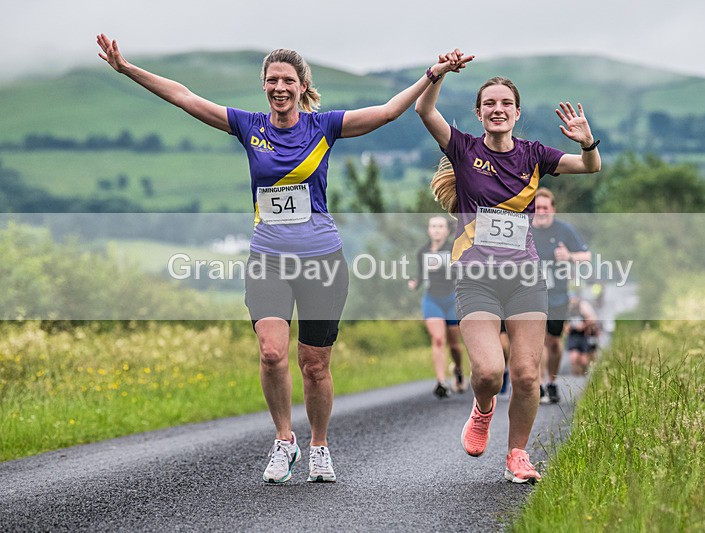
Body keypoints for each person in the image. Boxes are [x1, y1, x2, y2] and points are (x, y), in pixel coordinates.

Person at [97, 34, 471, 484]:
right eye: (272, 80)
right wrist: (128, 68)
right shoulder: (248, 125)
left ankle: (319, 445)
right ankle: (283, 440)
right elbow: (184, 97)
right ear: (264, 86)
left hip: (321, 261)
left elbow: (389, 112)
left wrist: (434, 74)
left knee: (315, 365)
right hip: (268, 258)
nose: (279, 87)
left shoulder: (325, 127)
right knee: (272, 352)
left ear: (301, 85)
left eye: (287, 80)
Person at [416, 50, 601, 484]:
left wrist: (586, 140)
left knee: (524, 373)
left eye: (505, 104)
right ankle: (482, 409)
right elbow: (424, 108)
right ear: (479, 113)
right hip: (476, 279)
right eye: (489, 104)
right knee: (487, 372)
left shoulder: (535, 155)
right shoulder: (463, 148)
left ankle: (517, 454)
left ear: (517, 112)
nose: (497, 110)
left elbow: (591, 167)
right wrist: (438, 73)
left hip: (525, 279)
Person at [530, 187, 591, 404]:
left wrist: (569, 256)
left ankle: (552, 382)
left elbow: (586, 256)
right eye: (537, 207)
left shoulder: (564, 230)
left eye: (545, 207)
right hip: (528, 295)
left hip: (557, 296)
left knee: (553, 343)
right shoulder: (524, 229)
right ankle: (536, 386)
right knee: (535, 341)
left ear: (553, 209)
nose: (541, 211)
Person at [408, 215, 466, 398]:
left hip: (451, 299)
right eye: (433, 226)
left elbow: (460, 271)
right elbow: (421, 275)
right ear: (428, 230)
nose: (437, 229)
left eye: (440, 226)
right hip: (432, 300)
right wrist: (414, 284)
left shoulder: (453, 249)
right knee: (439, 339)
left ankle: (457, 368)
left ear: (447, 231)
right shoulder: (423, 252)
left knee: (455, 345)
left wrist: (441, 266)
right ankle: (441, 382)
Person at [564, 292, 598, 375]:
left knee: (583, 360)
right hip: (573, 335)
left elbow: (592, 319)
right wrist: (566, 327)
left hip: (584, 335)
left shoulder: (583, 306)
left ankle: (583, 377)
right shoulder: (566, 307)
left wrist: (584, 325)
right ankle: (575, 378)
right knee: (574, 358)